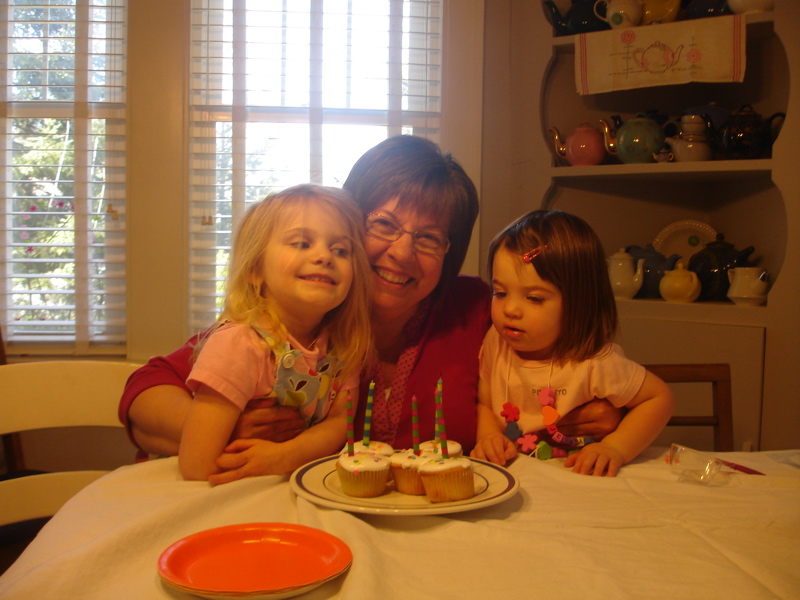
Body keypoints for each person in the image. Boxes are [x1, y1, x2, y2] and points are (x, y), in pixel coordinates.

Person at [120, 136, 623, 481]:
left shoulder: (479, 308)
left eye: (429, 238)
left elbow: (572, 364)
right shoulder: (297, 315)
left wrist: (594, 410)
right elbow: (144, 394)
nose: (402, 253)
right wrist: (223, 425)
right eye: (383, 225)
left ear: (449, 254)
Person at [178, 185, 373, 483]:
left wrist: (285, 456)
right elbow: (197, 465)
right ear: (255, 269)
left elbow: (339, 423)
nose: (325, 256)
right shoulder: (238, 344)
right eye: (302, 243)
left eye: (341, 250)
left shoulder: (344, 345)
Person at [471, 210, 674, 477]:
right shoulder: (496, 341)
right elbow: (485, 403)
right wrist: (488, 436)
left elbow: (659, 399)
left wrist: (615, 448)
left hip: (578, 480)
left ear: (579, 303)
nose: (510, 309)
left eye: (534, 298)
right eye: (500, 292)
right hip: (516, 478)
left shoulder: (595, 362)